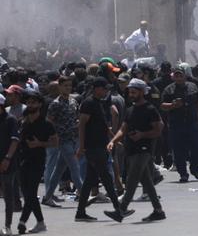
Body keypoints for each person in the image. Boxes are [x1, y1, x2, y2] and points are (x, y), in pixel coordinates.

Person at [108, 78, 166, 222]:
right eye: (130, 92)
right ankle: (158, 211)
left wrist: (142, 135)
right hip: (132, 149)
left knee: (132, 179)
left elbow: (158, 130)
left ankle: (122, 209)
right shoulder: (130, 110)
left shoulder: (150, 109)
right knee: (147, 182)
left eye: (134, 92)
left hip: (145, 149)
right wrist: (113, 141)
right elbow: (123, 129)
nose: (131, 94)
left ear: (142, 92)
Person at [75, 77, 128, 222]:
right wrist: (81, 146)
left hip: (101, 145)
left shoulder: (100, 103)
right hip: (93, 147)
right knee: (106, 178)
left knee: (89, 180)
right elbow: (81, 125)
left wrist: (113, 140)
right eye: (104, 88)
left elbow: (104, 125)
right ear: (96, 88)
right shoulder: (89, 103)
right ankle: (119, 210)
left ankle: (80, 212)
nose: (106, 91)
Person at [17, 91, 57, 234]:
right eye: (28, 102)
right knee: (28, 194)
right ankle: (40, 223)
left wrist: (40, 143)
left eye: (34, 102)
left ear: (40, 104)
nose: (30, 104)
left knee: (31, 193)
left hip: (37, 162)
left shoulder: (46, 124)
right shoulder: (24, 122)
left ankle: (22, 221)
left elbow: (55, 142)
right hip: (23, 161)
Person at [41, 76, 84, 208]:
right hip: (62, 140)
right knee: (74, 167)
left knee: (58, 170)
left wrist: (77, 126)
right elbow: (49, 121)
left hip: (72, 139)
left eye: (69, 86)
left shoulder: (73, 102)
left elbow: (77, 118)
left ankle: (47, 197)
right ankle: (84, 194)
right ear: (59, 87)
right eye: (65, 86)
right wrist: (55, 136)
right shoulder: (55, 104)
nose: (68, 88)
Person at [160, 66, 198, 182]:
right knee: (178, 150)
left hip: (191, 123)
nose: (179, 78)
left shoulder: (192, 87)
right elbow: (162, 106)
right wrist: (172, 105)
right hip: (176, 124)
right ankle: (183, 174)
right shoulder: (168, 90)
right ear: (173, 77)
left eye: (181, 75)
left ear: (185, 76)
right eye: (176, 76)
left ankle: (195, 169)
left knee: (196, 148)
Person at [0, 94, 19, 236]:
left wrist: (7, 158)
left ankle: (7, 225)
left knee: (8, 193)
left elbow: (14, 141)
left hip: (7, 162)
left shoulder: (10, 120)